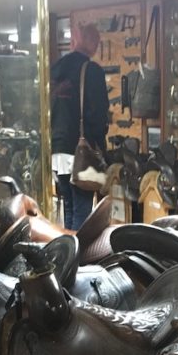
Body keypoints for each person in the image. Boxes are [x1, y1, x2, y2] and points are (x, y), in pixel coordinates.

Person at [50, 22, 109, 230]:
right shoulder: (91, 70)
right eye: (97, 42)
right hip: (80, 150)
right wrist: (101, 147)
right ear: (90, 42)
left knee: (68, 206)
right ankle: (79, 259)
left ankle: (67, 253)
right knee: (82, 211)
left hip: (57, 149)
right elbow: (99, 115)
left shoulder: (55, 68)